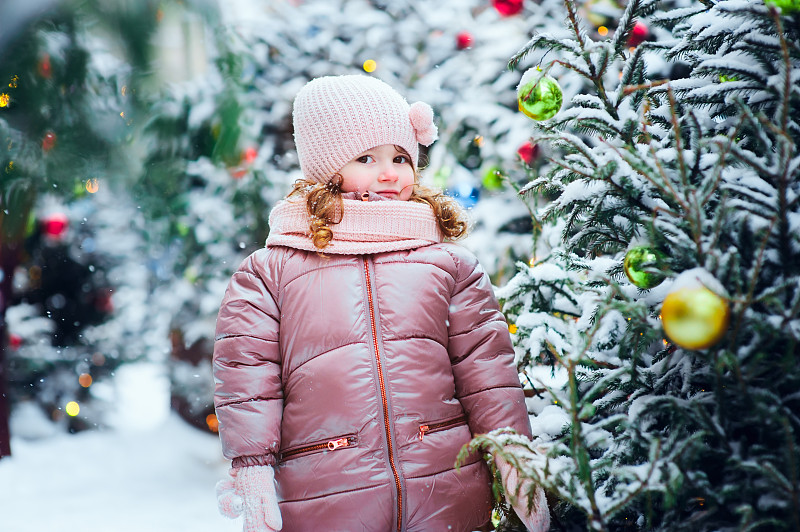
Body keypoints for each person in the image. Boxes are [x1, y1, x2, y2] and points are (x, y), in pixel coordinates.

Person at [213, 75, 549, 532]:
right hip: (327, 494)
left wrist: (513, 456)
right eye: (367, 158)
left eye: (401, 157)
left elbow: (486, 370)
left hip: (446, 487)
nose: (390, 173)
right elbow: (247, 375)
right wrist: (251, 466)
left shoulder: (449, 263)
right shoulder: (271, 271)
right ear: (326, 168)